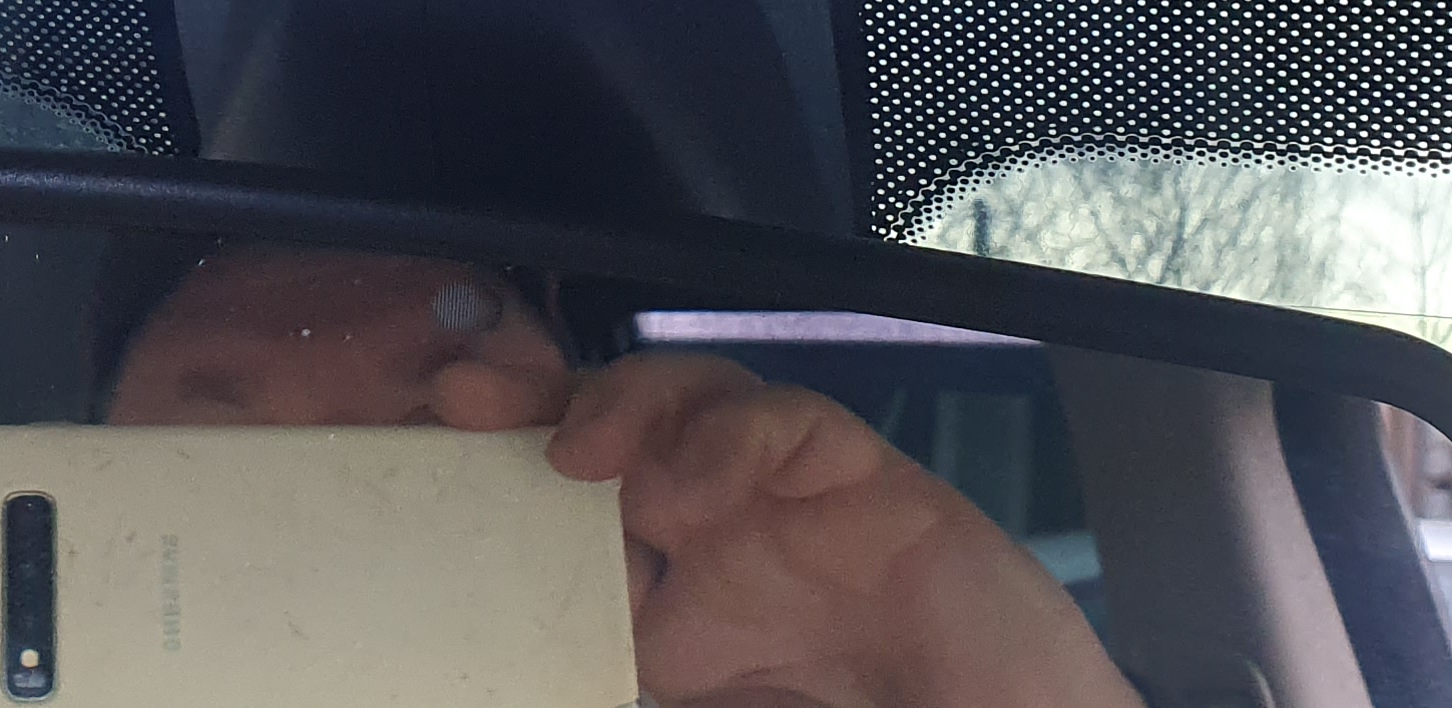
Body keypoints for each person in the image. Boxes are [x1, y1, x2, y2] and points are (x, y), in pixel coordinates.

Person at [103, 246, 1142, 708]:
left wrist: (984, 678)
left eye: (439, 416)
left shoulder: (747, 671)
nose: (367, 485)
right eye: (230, 443)